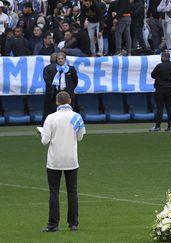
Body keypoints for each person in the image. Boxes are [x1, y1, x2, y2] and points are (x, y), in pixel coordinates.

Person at [41, 91, 86, 232]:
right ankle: (73, 223)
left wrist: (42, 133)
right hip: (71, 159)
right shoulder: (77, 117)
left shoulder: (51, 118)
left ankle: (53, 224)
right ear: (70, 100)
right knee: (72, 191)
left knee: (54, 191)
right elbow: (80, 138)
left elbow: (44, 141)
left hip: (55, 160)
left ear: (56, 102)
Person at [42, 52, 78, 123]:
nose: (60, 60)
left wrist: (69, 89)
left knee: (70, 112)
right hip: (55, 93)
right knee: (53, 112)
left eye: (62, 59)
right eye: (59, 59)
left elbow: (75, 81)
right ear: (56, 60)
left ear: (65, 59)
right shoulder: (52, 69)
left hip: (68, 93)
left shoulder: (71, 69)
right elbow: (47, 80)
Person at [150, 50, 171, 132]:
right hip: (170, 88)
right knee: (169, 108)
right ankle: (170, 126)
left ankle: (157, 126)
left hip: (160, 88)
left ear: (163, 57)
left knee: (160, 108)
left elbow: (152, 75)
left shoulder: (159, 66)